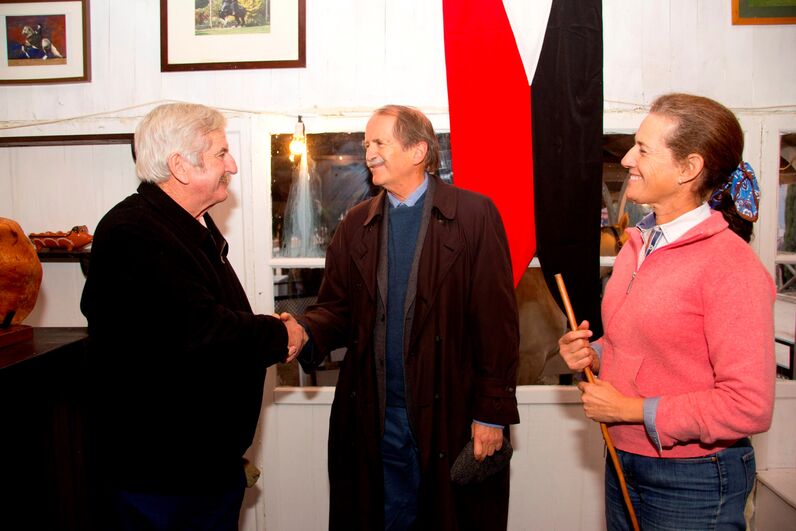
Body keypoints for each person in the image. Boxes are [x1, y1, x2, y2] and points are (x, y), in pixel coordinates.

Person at [282, 105, 520, 530]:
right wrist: (303, 330)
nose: (368, 152)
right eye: (366, 144)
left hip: (452, 415)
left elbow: (497, 324)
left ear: (418, 151)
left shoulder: (474, 216)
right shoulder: (355, 224)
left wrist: (491, 413)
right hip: (377, 417)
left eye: (379, 143)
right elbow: (335, 310)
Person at [81, 103, 304, 530]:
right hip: (162, 481)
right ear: (180, 165)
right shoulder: (134, 232)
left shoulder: (186, 222)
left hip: (196, 472)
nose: (233, 166)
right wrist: (281, 333)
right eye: (222, 153)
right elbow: (200, 330)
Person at [559, 93, 775, 531]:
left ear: (688, 168)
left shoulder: (728, 263)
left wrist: (632, 410)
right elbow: (646, 346)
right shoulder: (637, 244)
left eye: (642, 149)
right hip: (625, 457)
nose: (626, 161)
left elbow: (749, 406)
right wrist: (595, 354)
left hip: (693, 478)